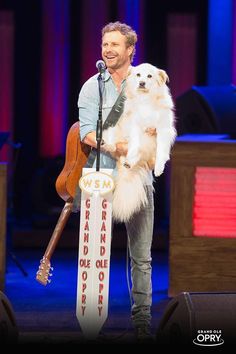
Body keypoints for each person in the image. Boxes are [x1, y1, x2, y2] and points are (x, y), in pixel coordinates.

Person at [78, 21, 156, 343]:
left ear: (130, 50)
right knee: (95, 253)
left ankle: (143, 323)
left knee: (142, 256)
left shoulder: (146, 80)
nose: (108, 50)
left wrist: (152, 137)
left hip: (138, 175)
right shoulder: (91, 86)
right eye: (104, 44)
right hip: (101, 176)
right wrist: (115, 146)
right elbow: (87, 133)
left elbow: (159, 121)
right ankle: (93, 322)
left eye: (114, 45)